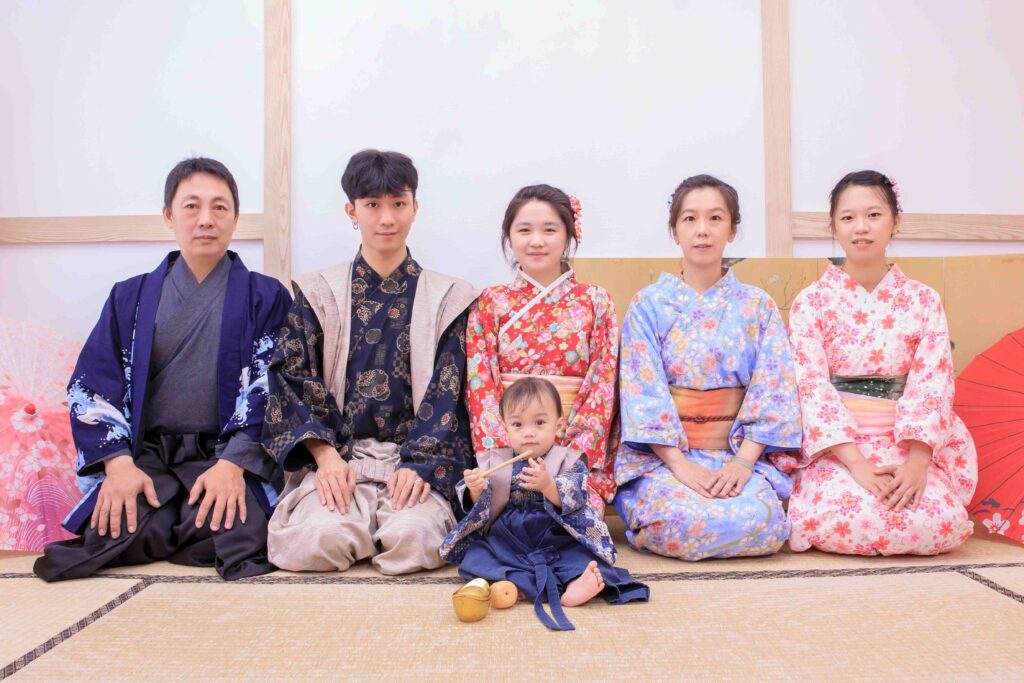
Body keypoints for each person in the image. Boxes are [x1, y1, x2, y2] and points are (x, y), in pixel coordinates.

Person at [34, 157, 291, 581]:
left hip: (223, 456)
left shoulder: (265, 296)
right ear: (169, 215)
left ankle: (176, 519)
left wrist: (233, 464)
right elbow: (92, 386)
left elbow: (275, 385)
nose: (206, 219)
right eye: (192, 206)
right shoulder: (129, 297)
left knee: (241, 534)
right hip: (148, 458)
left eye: (219, 207)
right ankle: (171, 519)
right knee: (110, 531)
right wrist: (118, 465)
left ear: (235, 218)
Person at [262, 149, 477, 574]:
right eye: (373, 205)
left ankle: (382, 524)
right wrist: (325, 456)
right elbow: (292, 378)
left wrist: (420, 465)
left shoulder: (449, 298)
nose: (387, 218)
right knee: (319, 540)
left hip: (416, 462)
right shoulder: (319, 292)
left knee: (415, 539)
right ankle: (354, 522)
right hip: (340, 460)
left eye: (398, 203)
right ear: (352, 211)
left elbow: (449, 393)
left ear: (415, 207)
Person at [773, 170, 977, 555]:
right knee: (847, 516)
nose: (861, 227)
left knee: (938, 522)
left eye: (873, 215)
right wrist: (857, 465)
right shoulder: (811, 302)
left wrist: (917, 463)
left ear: (895, 222)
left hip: (905, 442)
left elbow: (932, 383)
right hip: (838, 448)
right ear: (833, 225)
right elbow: (810, 386)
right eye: (848, 217)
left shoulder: (923, 300)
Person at [614, 174, 802, 560]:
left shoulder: (757, 305)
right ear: (674, 231)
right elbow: (642, 391)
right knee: (680, 520)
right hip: (665, 459)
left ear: (732, 229)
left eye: (715, 218)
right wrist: (680, 466)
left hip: (735, 454)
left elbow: (774, 387)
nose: (703, 230)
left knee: (764, 522)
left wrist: (743, 463)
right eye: (690, 219)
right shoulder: (649, 304)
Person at [441, 377, 648, 631]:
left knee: (582, 557)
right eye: (518, 424)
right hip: (510, 536)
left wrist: (549, 486)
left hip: (555, 533)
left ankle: (573, 585)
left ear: (558, 426)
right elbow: (480, 506)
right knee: (478, 556)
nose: (529, 432)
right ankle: (514, 584)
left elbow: (578, 494)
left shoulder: (568, 459)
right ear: (505, 428)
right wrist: (475, 489)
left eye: (539, 423)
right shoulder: (496, 460)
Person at [465, 185, 618, 512]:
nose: (536, 241)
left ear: (569, 235)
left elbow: (602, 384)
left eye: (549, 230)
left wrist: (566, 451)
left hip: (571, 453)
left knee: (578, 514)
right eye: (524, 230)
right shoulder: (490, 302)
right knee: (502, 513)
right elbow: (480, 385)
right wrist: (511, 445)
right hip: (510, 450)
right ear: (509, 237)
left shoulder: (595, 301)